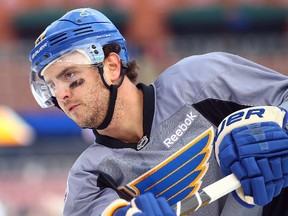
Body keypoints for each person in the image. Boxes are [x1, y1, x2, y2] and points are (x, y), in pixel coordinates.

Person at [29, 8, 288, 216]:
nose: (60, 95)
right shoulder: (89, 178)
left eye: (70, 76)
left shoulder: (202, 79)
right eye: (51, 85)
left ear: (111, 66)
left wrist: (275, 128)